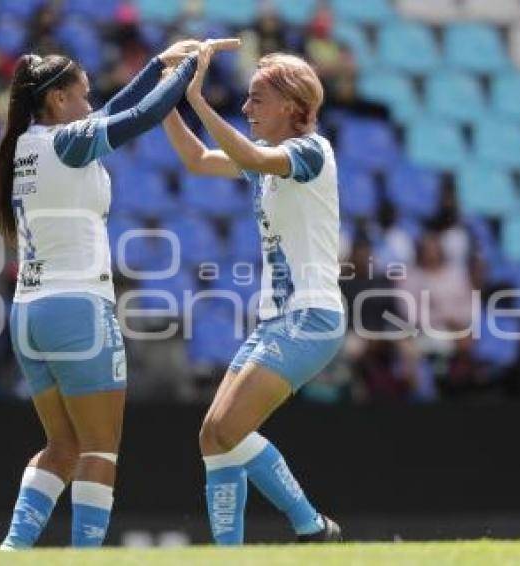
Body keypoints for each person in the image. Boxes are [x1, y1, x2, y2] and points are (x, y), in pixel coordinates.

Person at [0, 39, 239, 550]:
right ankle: (85, 559)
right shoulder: (69, 142)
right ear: (58, 100)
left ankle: (12, 551)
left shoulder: (25, 144)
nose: (90, 105)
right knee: (99, 450)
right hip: (77, 309)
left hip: (28, 312)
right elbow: (140, 116)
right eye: (82, 96)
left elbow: (114, 111)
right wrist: (190, 69)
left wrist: (155, 65)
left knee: (61, 447)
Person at [163, 44, 345, 544]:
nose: (246, 110)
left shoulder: (311, 151)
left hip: (311, 318)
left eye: (255, 100)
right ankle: (231, 554)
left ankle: (311, 525)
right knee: (211, 436)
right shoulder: (269, 160)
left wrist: (196, 99)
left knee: (228, 430)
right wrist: (166, 97)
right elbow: (198, 159)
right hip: (276, 320)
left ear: (290, 105)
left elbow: (245, 153)